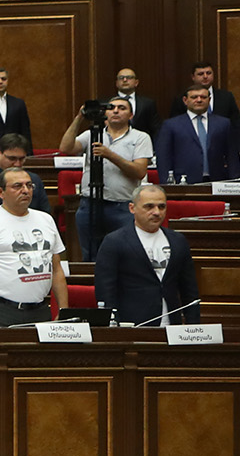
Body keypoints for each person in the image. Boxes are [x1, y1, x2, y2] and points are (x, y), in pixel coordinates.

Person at [0, 166, 67, 326]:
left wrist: (63, 311)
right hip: (2, 310)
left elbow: (57, 269)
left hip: (40, 309)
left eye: (29, 185)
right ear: (0, 192)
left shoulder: (46, 220)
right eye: (17, 186)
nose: (25, 190)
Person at [58, 95, 153, 259]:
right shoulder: (92, 134)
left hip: (122, 207)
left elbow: (139, 171)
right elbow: (66, 147)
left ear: (131, 115)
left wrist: (109, 155)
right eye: (111, 108)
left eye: (122, 108)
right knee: (89, 255)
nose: (116, 111)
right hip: (90, 203)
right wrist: (79, 118)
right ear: (105, 114)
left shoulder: (140, 137)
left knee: (123, 255)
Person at [93, 185, 199, 327]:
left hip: (173, 326)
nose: (156, 212)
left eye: (161, 207)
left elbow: (189, 290)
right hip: (132, 326)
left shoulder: (177, 241)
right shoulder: (114, 241)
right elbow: (106, 290)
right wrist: (114, 325)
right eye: (149, 207)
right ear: (132, 208)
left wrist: (193, 326)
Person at [155, 85, 238, 184]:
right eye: (194, 97)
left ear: (209, 99)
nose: (199, 100)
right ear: (185, 100)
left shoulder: (223, 123)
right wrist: (167, 184)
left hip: (217, 181)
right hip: (183, 182)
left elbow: (232, 155)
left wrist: (235, 181)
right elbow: (164, 158)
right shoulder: (170, 125)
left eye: (203, 97)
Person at [0, 134, 48, 213]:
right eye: (12, 158)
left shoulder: (34, 179)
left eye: (21, 159)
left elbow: (44, 212)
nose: (17, 164)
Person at [189, 61, 240, 161]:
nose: (205, 76)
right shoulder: (183, 99)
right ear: (193, 77)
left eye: (208, 73)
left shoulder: (226, 97)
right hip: (193, 152)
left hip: (223, 150)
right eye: (201, 74)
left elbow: (237, 125)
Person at [114, 68, 158, 136]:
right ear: (116, 83)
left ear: (136, 82)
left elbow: (155, 129)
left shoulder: (148, 103)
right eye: (121, 78)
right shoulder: (108, 103)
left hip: (141, 143)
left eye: (129, 77)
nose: (125, 80)